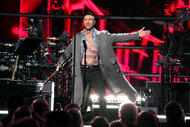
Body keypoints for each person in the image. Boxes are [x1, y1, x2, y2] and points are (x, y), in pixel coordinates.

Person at [56, 12, 151, 116]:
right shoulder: (77, 37)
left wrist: (137, 35)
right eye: (86, 19)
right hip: (81, 70)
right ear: (83, 22)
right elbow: (68, 51)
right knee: (80, 98)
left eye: (90, 19)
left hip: (96, 70)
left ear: (94, 22)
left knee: (101, 97)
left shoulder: (103, 35)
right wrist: (59, 63)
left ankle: (103, 118)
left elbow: (119, 37)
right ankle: (77, 118)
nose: (87, 22)